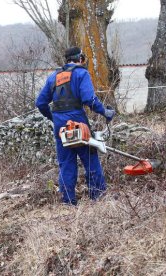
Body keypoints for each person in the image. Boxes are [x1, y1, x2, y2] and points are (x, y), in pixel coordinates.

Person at [35, 46, 115, 205]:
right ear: (80, 59)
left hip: (60, 127)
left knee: (66, 164)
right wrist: (106, 112)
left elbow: (40, 103)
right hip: (78, 123)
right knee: (91, 160)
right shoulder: (81, 73)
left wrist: (53, 118)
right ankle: (97, 198)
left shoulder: (53, 77)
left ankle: (68, 202)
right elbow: (89, 100)